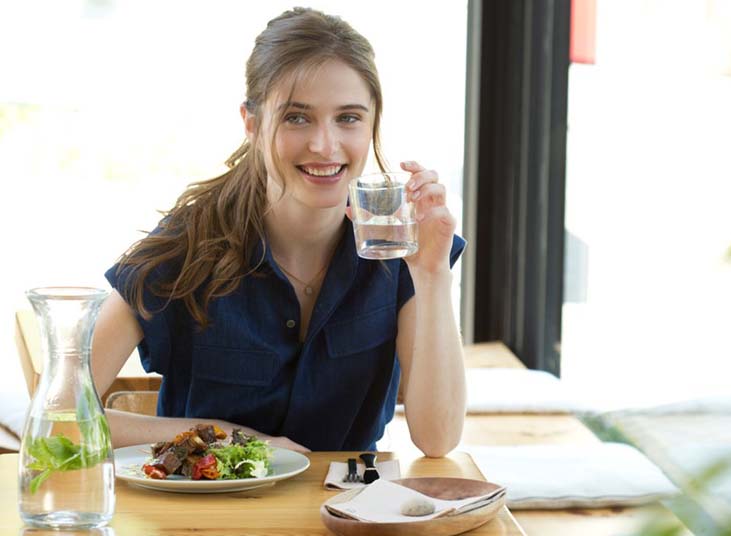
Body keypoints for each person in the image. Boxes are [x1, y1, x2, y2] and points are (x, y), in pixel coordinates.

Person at [91, 7, 466, 456]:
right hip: (203, 518)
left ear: (372, 123)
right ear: (252, 122)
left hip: (346, 513)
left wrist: (431, 274)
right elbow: (59, 417)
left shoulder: (399, 245)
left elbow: (438, 439)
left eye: (348, 118)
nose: (325, 145)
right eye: (296, 117)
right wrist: (222, 434)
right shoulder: (186, 244)